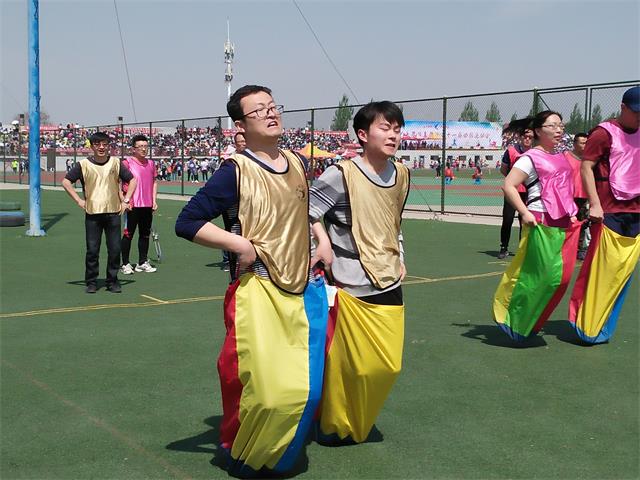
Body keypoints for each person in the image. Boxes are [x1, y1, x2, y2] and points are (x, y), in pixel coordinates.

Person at [175, 85, 328, 477]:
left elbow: (303, 209)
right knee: (268, 391)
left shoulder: (296, 162)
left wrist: (321, 240)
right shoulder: (235, 171)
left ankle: (268, 453)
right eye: (260, 110)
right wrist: (238, 244)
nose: (271, 114)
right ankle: (247, 455)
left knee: (303, 390)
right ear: (240, 125)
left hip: (300, 289)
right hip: (258, 291)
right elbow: (187, 222)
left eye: (274, 106)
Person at [309, 101, 408, 445]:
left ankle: (353, 419)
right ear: (363, 135)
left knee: (386, 365)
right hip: (350, 281)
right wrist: (321, 243)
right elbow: (303, 212)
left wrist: (401, 255)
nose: (393, 134)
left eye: (397, 128)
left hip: (389, 276)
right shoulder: (341, 173)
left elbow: (394, 223)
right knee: (350, 365)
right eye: (385, 127)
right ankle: (336, 426)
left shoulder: (401, 173)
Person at [493, 111, 580, 341]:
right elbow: (509, 185)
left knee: (559, 279)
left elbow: (563, 188)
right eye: (553, 125)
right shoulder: (529, 158)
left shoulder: (562, 156)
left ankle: (532, 320)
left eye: (561, 125)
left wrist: (571, 212)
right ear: (539, 131)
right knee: (538, 277)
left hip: (563, 223)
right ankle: (514, 321)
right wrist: (523, 212)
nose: (559, 129)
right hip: (540, 220)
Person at [569, 85, 640, 344]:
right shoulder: (604, 133)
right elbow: (586, 167)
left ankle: (602, 326)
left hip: (636, 212)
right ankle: (587, 325)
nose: (639, 117)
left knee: (622, 273)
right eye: (636, 112)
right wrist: (595, 203)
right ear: (623, 108)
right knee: (601, 271)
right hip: (610, 210)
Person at [62, 131, 137, 293]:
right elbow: (66, 182)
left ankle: (112, 280)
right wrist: (79, 200)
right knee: (92, 250)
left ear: (108, 146)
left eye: (104, 144)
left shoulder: (116, 163)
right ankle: (91, 281)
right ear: (92, 146)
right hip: (93, 214)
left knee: (115, 249)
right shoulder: (83, 165)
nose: (101, 147)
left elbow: (132, 180)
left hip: (114, 213)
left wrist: (126, 201)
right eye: (97, 144)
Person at [120, 134, 158, 275]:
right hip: (132, 206)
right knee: (128, 234)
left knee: (145, 235)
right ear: (133, 149)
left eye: (145, 146)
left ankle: (142, 262)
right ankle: (125, 263)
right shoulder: (126, 163)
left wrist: (154, 200)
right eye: (140, 146)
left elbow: (154, 182)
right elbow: (118, 183)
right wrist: (124, 201)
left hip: (147, 206)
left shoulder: (151, 164)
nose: (143, 149)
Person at [497, 127, 534, 259]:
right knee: (507, 219)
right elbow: (503, 169)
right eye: (525, 136)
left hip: (529, 192)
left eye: (530, 137)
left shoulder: (535, 153)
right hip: (513, 191)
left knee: (525, 220)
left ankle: (522, 248)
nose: (527, 139)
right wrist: (512, 181)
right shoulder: (511, 151)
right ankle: (503, 247)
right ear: (520, 137)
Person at [220, 131, 247, 272]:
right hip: (232, 202)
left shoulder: (254, 158)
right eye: (240, 142)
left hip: (248, 203)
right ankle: (228, 259)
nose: (243, 144)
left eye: (245, 141)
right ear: (235, 144)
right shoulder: (230, 160)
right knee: (231, 232)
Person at [564, 132, 590, 259]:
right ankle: (564, 247)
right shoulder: (566, 156)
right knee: (566, 223)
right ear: (574, 143)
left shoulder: (590, 159)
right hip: (568, 196)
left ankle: (579, 248)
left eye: (586, 142)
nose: (585, 145)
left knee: (582, 223)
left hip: (583, 197)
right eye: (582, 142)